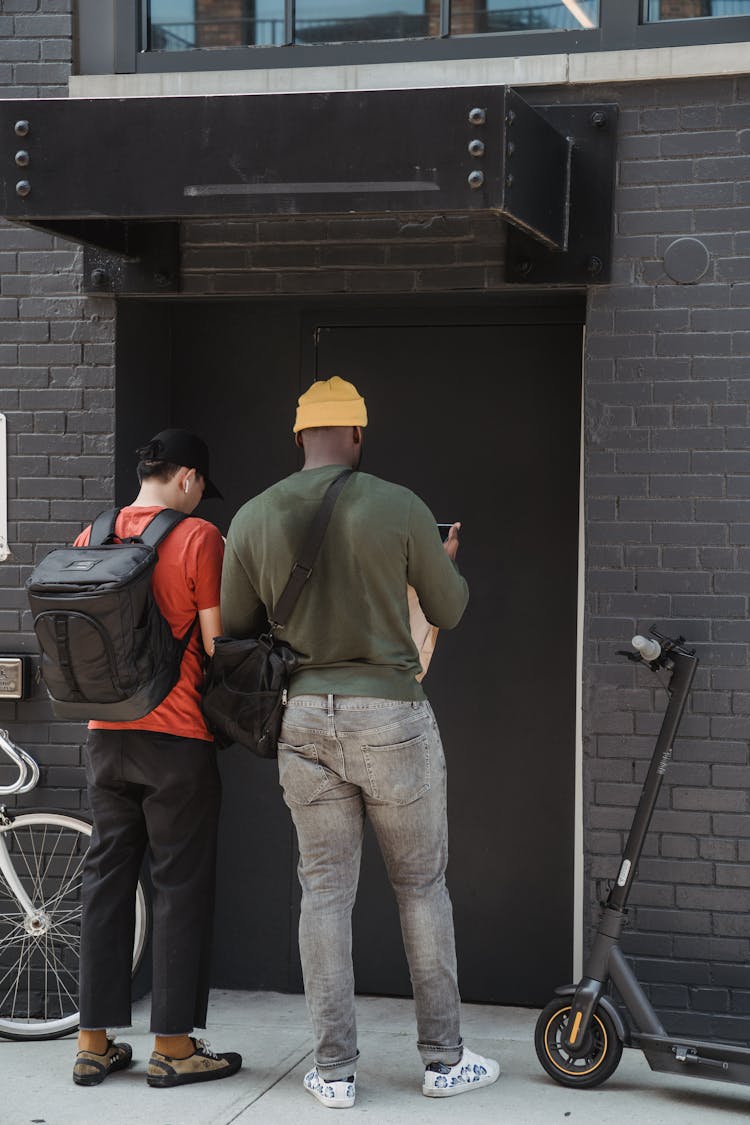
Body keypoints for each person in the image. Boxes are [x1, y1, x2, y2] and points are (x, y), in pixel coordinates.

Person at [220, 378, 499, 1109]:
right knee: (421, 888)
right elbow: (452, 608)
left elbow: (237, 630)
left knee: (325, 895)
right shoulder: (400, 505)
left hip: (304, 719)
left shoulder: (253, 515)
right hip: (393, 715)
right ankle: (444, 1061)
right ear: (358, 435)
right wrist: (444, 558)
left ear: (299, 436)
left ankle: (335, 1073)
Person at [72, 428, 242, 1089]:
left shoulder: (94, 534)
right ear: (189, 477)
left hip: (104, 736)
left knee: (105, 882)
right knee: (178, 885)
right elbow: (216, 642)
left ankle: (93, 1042)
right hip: (177, 740)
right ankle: (173, 1044)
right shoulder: (198, 537)